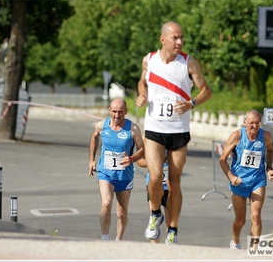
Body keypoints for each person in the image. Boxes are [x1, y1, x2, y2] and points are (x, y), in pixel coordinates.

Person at [136, 21, 212, 245]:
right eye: (175, 38)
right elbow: (143, 82)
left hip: (178, 130)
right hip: (154, 129)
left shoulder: (189, 63)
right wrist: (142, 94)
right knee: (156, 176)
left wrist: (192, 103)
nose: (180, 42)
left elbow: (207, 90)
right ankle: (155, 214)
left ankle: (173, 229)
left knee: (175, 182)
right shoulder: (148, 60)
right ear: (163, 40)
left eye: (182, 38)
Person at [218, 110, 273, 250]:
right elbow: (222, 160)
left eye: (257, 123)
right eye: (251, 123)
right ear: (245, 123)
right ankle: (235, 243)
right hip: (239, 182)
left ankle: (254, 251)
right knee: (240, 221)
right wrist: (231, 177)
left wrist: (269, 168)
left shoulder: (266, 136)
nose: (254, 126)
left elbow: (270, 151)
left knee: (255, 215)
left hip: (258, 180)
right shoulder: (237, 136)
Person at [88, 98, 144, 241]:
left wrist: (132, 159)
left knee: (121, 213)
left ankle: (118, 240)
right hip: (105, 173)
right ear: (109, 111)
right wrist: (91, 160)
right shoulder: (101, 126)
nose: (117, 115)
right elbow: (94, 138)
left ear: (126, 112)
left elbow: (143, 150)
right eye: (114, 111)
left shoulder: (133, 129)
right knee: (106, 203)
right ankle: (104, 239)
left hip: (125, 175)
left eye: (120, 112)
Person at [137, 136, 171, 244]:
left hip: (169, 184)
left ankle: (170, 248)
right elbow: (140, 162)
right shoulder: (147, 138)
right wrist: (155, 161)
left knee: (170, 222)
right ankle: (155, 251)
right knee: (154, 221)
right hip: (153, 184)